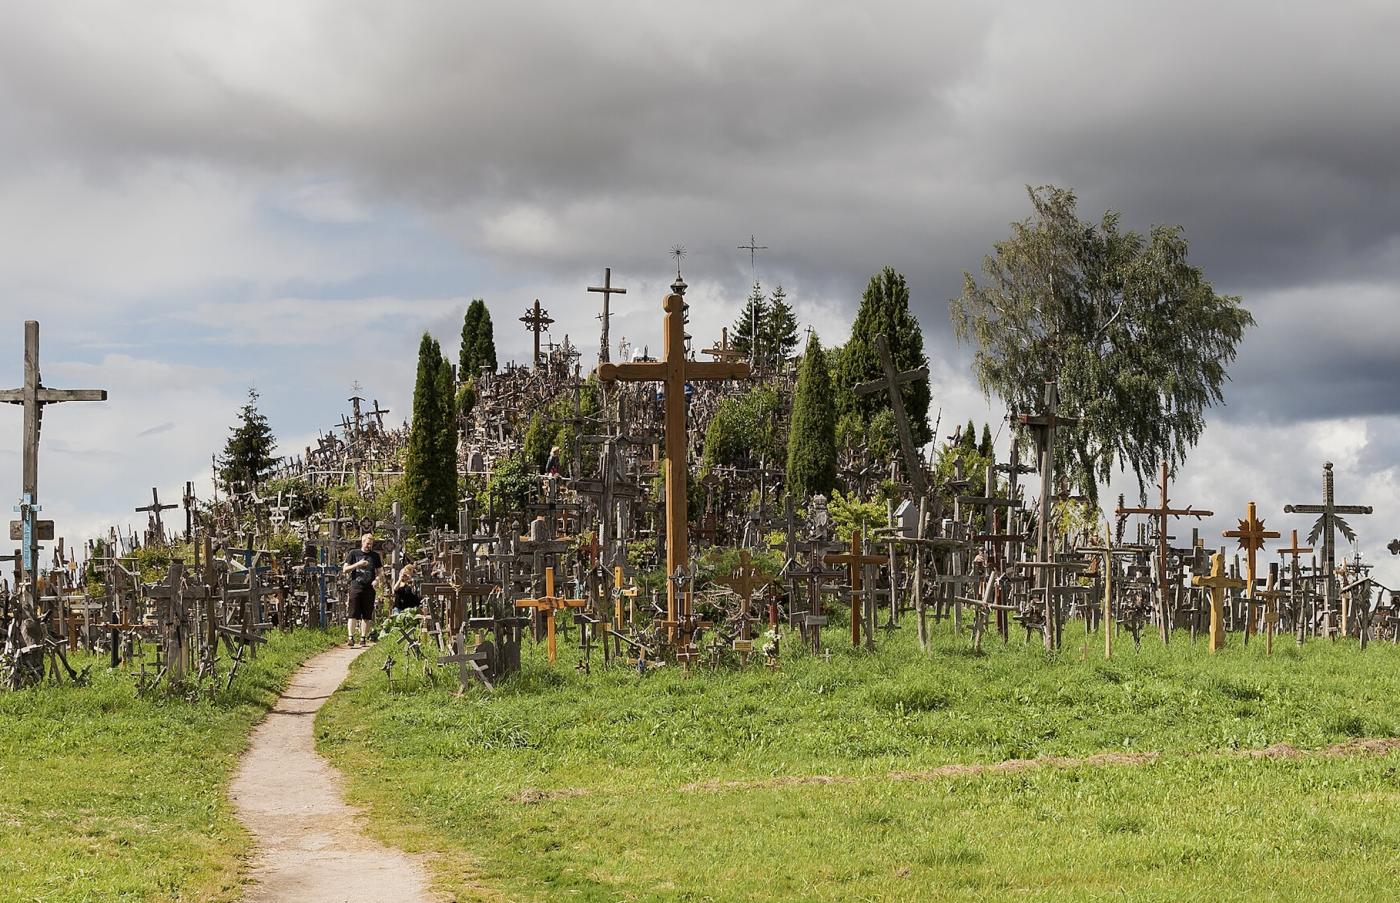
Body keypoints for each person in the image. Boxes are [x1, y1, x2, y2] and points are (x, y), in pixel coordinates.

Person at [342, 532, 382, 646]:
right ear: (362, 542)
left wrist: (377, 580)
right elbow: (345, 569)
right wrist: (358, 564)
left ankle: (363, 637)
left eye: (371, 544)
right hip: (356, 586)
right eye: (368, 543)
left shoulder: (375, 556)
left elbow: (380, 572)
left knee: (366, 615)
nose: (369, 546)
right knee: (353, 613)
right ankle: (351, 637)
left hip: (369, 588)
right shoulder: (353, 553)